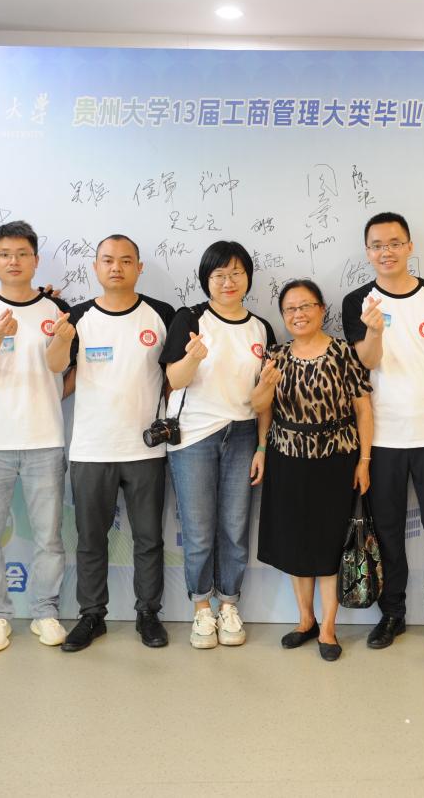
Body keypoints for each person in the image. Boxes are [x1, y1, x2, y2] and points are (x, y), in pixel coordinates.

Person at [342, 212, 424, 653]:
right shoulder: (358, 301)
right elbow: (366, 362)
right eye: (377, 245)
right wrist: (374, 330)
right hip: (383, 438)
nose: (386, 252)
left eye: (394, 243)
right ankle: (392, 612)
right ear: (367, 252)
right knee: (389, 531)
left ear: (410, 246)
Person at [52, 234, 176, 653]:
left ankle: (148, 613)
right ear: (95, 267)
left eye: (125, 260)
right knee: (90, 539)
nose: (116, 267)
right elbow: (61, 374)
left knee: (149, 538)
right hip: (91, 448)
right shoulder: (77, 316)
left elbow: (174, 378)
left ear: (139, 267)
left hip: (146, 450)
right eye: (107, 260)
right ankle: (92, 615)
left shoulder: (162, 314)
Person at [0, 220, 72, 653]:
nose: (14, 261)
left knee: (50, 538)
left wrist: (61, 339)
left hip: (45, 439)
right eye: (5, 254)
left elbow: (58, 367)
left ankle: (45, 612)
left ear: (36, 260)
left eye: (23, 254)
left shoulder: (57, 310)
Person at [161, 241, 274, 649]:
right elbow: (174, 380)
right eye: (219, 275)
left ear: (248, 278)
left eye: (236, 273)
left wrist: (262, 447)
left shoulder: (261, 327)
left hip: (243, 435)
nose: (229, 282)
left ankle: (229, 605)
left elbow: (264, 397)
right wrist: (193, 357)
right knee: (199, 530)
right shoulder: (190, 319)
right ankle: (201, 609)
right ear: (206, 280)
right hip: (194, 436)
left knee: (235, 527)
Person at [254, 279, 373, 662]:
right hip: (287, 458)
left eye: (306, 306)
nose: (298, 314)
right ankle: (305, 620)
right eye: (290, 309)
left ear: (322, 309)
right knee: (296, 543)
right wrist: (261, 447)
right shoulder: (276, 355)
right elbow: (261, 407)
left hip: (336, 459)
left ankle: (328, 627)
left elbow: (363, 410)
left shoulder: (342, 352)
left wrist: (364, 460)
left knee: (329, 544)